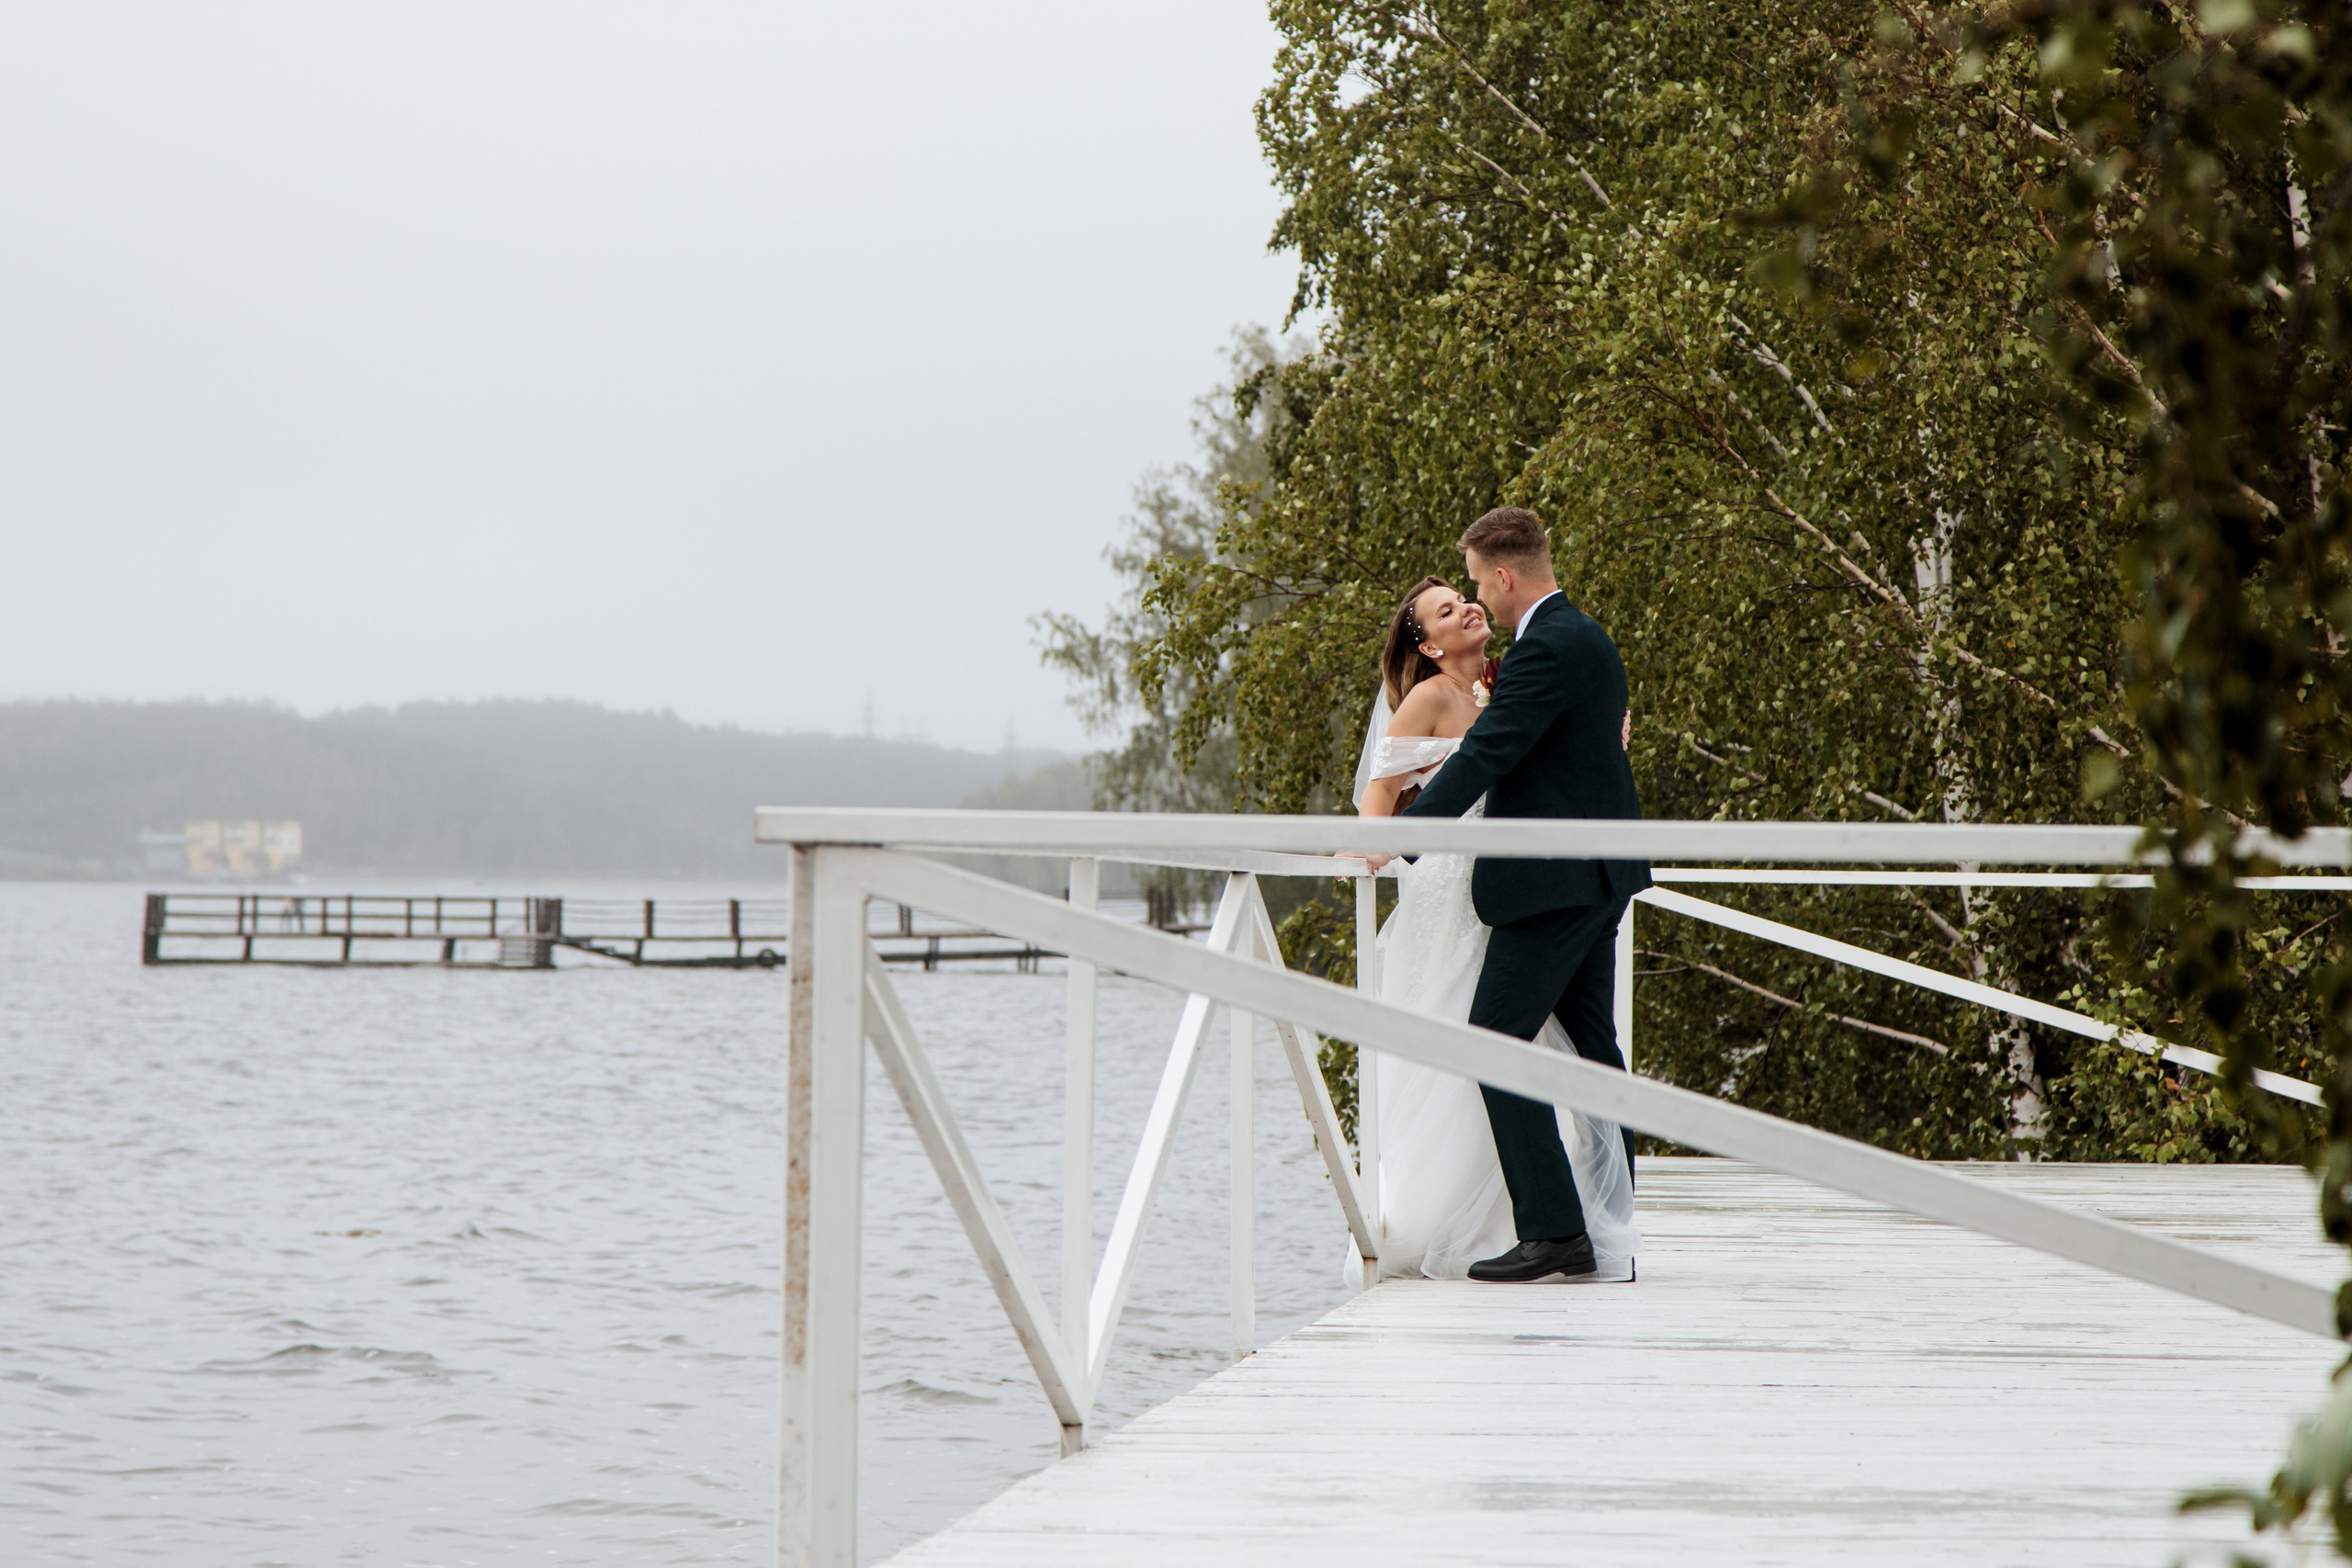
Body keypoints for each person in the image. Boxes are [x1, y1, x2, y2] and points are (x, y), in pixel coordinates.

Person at [1349, 512, 1643, 1283]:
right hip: (1592, 875)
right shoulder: (1580, 635)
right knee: (1591, 1051)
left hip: (1552, 881)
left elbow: (1488, 751)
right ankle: (1610, 1223)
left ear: (1504, 577)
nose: (1477, 596)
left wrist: (1403, 838)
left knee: (1491, 1038)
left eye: (1477, 582)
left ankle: (1556, 1232)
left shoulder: (1546, 645)